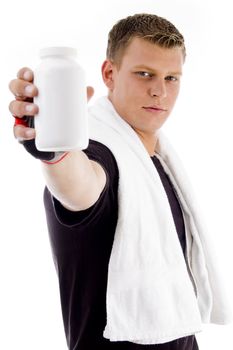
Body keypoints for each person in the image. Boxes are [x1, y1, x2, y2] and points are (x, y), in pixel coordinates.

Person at [8, 13, 231, 350]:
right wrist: (55, 150)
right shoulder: (101, 153)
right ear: (109, 74)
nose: (160, 91)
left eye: (172, 78)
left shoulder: (157, 163)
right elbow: (79, 185)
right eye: (145, 74)